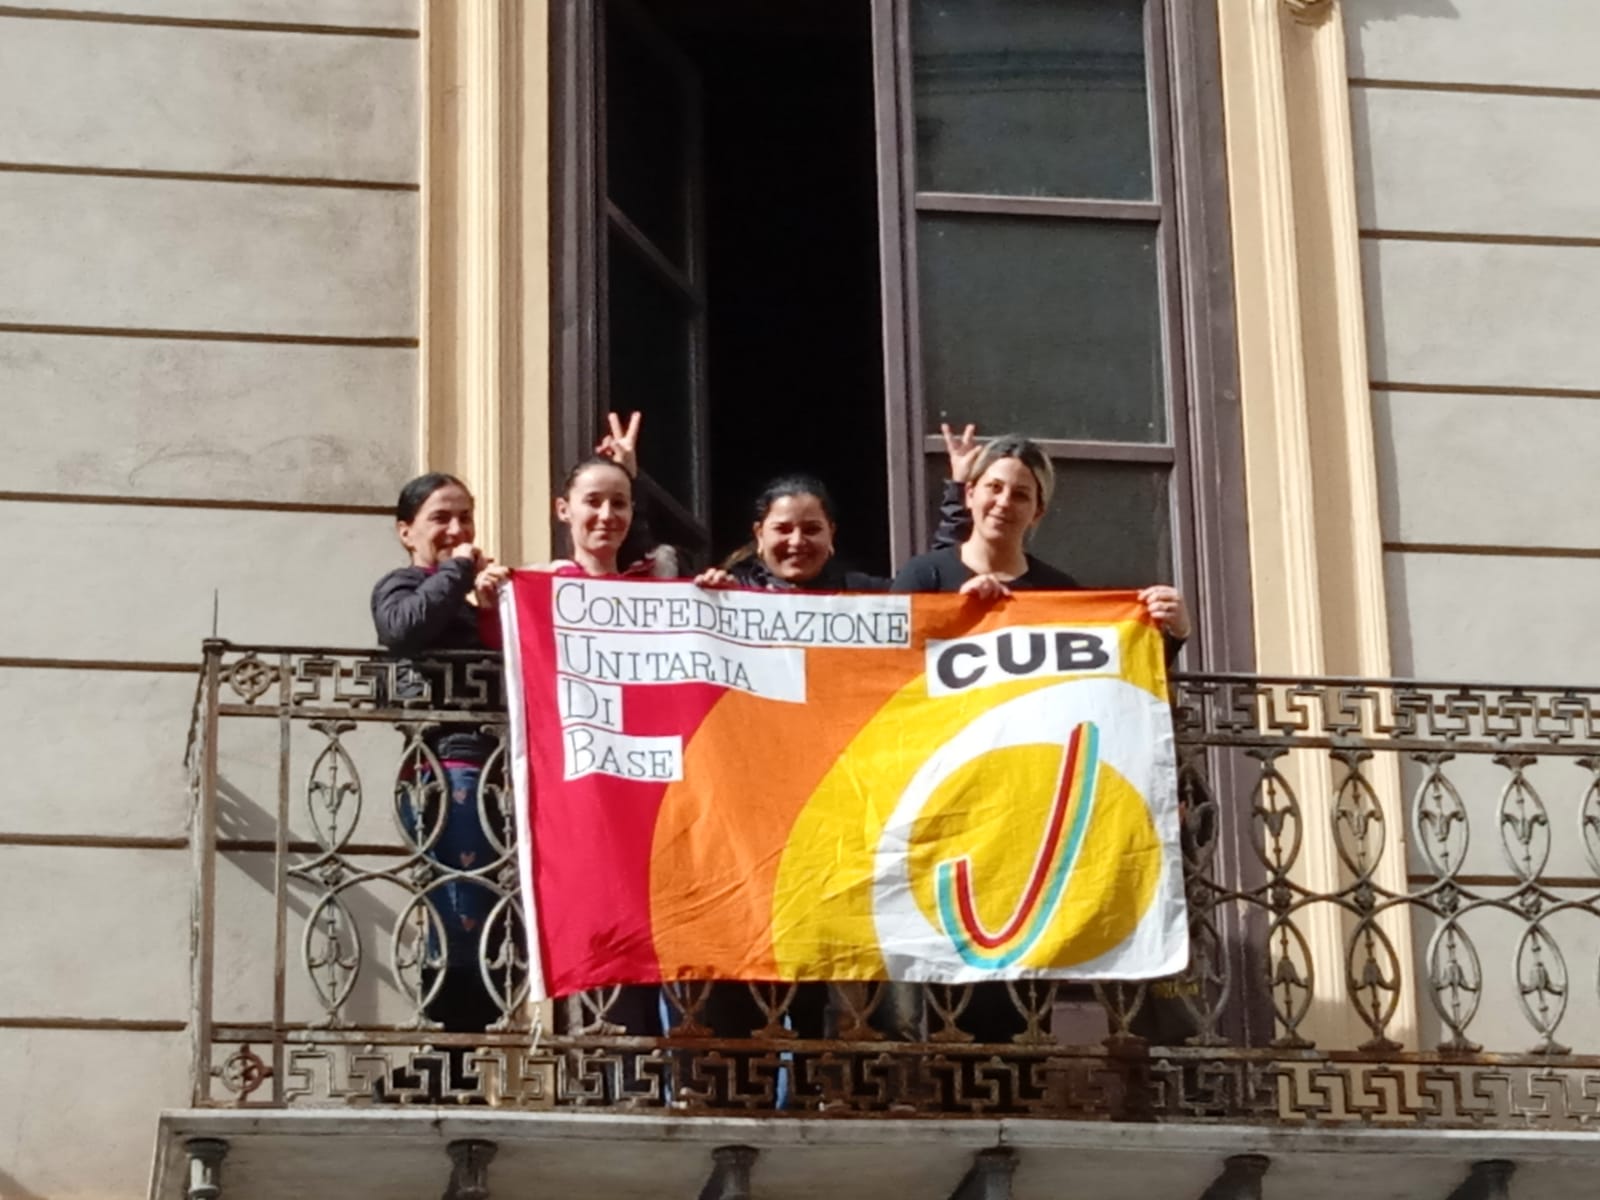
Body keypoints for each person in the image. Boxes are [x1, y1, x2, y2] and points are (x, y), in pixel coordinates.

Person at [891, 432, 1192, 1045]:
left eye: (1021, 494)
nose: (1005, 502)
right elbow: (878, 672)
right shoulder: (926, 575)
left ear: (1039, 511)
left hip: (1027, 820)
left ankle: (1013, 1093)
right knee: (931, 996)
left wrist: (1172, 636)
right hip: (940, 809)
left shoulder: (1061, 592)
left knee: (1018, 1002)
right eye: (994, 487)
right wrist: (954, 616)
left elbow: (1109, 689)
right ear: (969, 494)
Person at [372, 471, 513, 1040]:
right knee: (457, 910)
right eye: (441, 518)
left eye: (466, 518)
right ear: (406, 531)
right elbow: (402, 629)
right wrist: (458, 570)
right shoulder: (401, 584)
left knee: (490, 912)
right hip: (446, 771)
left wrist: (492, 606)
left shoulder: (470, 597)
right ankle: (450, 1044)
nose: (458, 529)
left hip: (498, 773)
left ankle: (467, 1039)